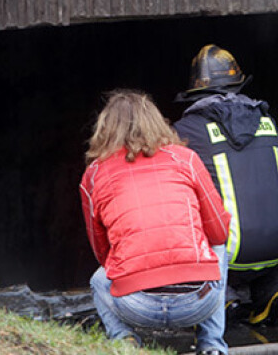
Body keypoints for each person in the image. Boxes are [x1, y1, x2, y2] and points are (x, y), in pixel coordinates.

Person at [79, 89, 232, 355]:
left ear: (105, 128)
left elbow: (102, 253)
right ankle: (212, 346)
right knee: (217, 249)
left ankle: (124, 340)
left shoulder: (93, 175)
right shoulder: (185, 158)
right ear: (156, 120)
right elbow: (219, 231)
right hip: (198, 302)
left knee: (97, 279)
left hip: (135, 306)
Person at [174, 44, 278, 325]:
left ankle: (223, 297)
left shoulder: (185, 131)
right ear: (238, 85)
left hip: (228, 250)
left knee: (181, 214)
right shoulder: (267, 119)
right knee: (257, 216)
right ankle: (275, 287)